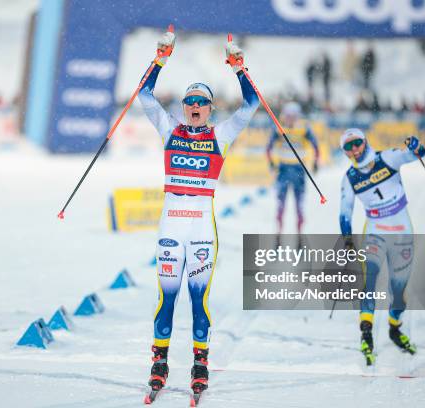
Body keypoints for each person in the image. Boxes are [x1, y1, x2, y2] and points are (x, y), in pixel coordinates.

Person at [138, 29, 259, 398]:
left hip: (202, 229)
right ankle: (159, 362)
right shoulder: (169, 129)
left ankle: (199, 364)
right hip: (171, 227)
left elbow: (251, 105)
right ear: (183, 106)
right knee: (167, 297)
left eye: (201, 102)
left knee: (197, 300)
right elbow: (144, 94)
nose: (194, 106)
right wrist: (160, 59)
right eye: (189, 101)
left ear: (209, 108)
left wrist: (240, 69)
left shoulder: (220, 136)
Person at [339, 128, 424, 366]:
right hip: (375, 232)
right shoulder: (349, 178)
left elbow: (417, 153)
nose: (354, 149)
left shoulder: (387, 158)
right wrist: (347, 241)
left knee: (399, 290)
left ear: (365, 141)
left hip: (401, 231)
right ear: (345, 152)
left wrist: (415, 146)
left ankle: (394, 328)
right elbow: (344, 214)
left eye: (357, 143)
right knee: (370, 282)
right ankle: (366, 336)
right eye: (348, 147)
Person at [266, 102, 319, 237]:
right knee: (280, 203)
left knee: (299, 204)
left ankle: (300, 233)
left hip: (299, 170)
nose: (289, 119)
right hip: (283, 169)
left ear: (297, 116)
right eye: (287, 116)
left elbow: (315, 145)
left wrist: (316, 163)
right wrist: (271, 162)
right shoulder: (278, 128)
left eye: (293, 116)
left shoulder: (303, 128)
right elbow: (268, 147)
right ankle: (278, 232)